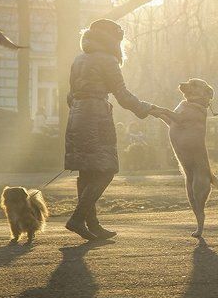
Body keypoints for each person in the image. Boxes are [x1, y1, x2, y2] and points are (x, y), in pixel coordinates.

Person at [64, 18, 158, 241]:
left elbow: (70, 95)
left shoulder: (79, 59)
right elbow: (122, 95)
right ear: (112, 40)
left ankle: (92, 225)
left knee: (86, 171)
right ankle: (78, 218)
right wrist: (147, 108)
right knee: (106, 169)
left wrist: (81, 109)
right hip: (96, 117)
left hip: (77, 116)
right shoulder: (107, 60)